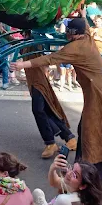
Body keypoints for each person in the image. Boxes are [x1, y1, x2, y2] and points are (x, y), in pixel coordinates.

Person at [11, 18, 102, 186]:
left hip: (97, 97)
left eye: (69, 33)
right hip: (97, 94)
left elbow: (51, 59)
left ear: (75, 35)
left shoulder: (77, 47)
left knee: (90, 136)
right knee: (85, 132)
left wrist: (23, 64)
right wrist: (81, 9)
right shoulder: (87, 37)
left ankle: (97, 180)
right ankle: (83, 170)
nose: (66, 36)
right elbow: (84, 24)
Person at [18, 31, 76, 159]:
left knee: (38, 110)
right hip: (34, 83)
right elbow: (14, 41)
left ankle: (50, 142)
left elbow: (43, 54)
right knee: (48, 111)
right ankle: (69, 137)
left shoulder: (35, 42)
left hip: (40, 83)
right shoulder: (25, 43)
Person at [32, 155, 102, 205]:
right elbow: (55, 182)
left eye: (75, 175)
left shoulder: (64, 200)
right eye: (72, 168)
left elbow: (55, 183)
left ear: (83, 186)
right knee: (37, 192)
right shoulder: (85, 195)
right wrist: (53, 168)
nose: (69, 173)